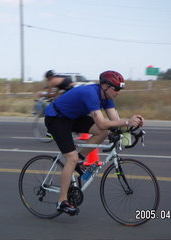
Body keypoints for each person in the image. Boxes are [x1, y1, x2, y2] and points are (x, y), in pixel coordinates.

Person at [44, 70, 144, 215]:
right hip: (56, 118)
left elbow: (114, 123)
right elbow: (103, 123)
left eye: (120, 89)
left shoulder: (108, 97)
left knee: (102, 133)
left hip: (73, 117)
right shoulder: (91, 93)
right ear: (105, 86)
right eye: (116, 88)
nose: (118, 92)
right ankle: (62, 201)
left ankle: (80, 160)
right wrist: (127, 121)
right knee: (71, 158)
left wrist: (133, 124)